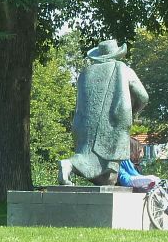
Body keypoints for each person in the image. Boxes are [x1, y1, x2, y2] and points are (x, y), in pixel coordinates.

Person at [58, 39, 148, 185]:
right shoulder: (123, 69)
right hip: (114, 122)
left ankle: (69, 164)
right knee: (110, 174)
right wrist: (133, 111)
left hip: (84, 124)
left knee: (86, 156)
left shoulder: (85, 74)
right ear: (116, 55)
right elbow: (143, 97)